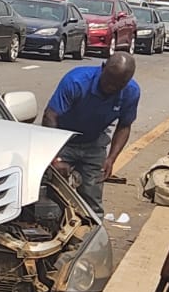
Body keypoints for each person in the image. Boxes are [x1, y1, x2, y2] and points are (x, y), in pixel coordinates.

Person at [41, 51, 140, 215]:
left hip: (93, 142)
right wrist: (54, 157)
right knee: (50, 189)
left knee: (92, 198)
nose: (111, 88)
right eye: (109, 81)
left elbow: (124, 126)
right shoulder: (76, 81)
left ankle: (91, 232)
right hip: (62, 139)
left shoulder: (131, 92)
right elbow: (50, 116)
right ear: (103, 68)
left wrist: (111, 159)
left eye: (118, 85)